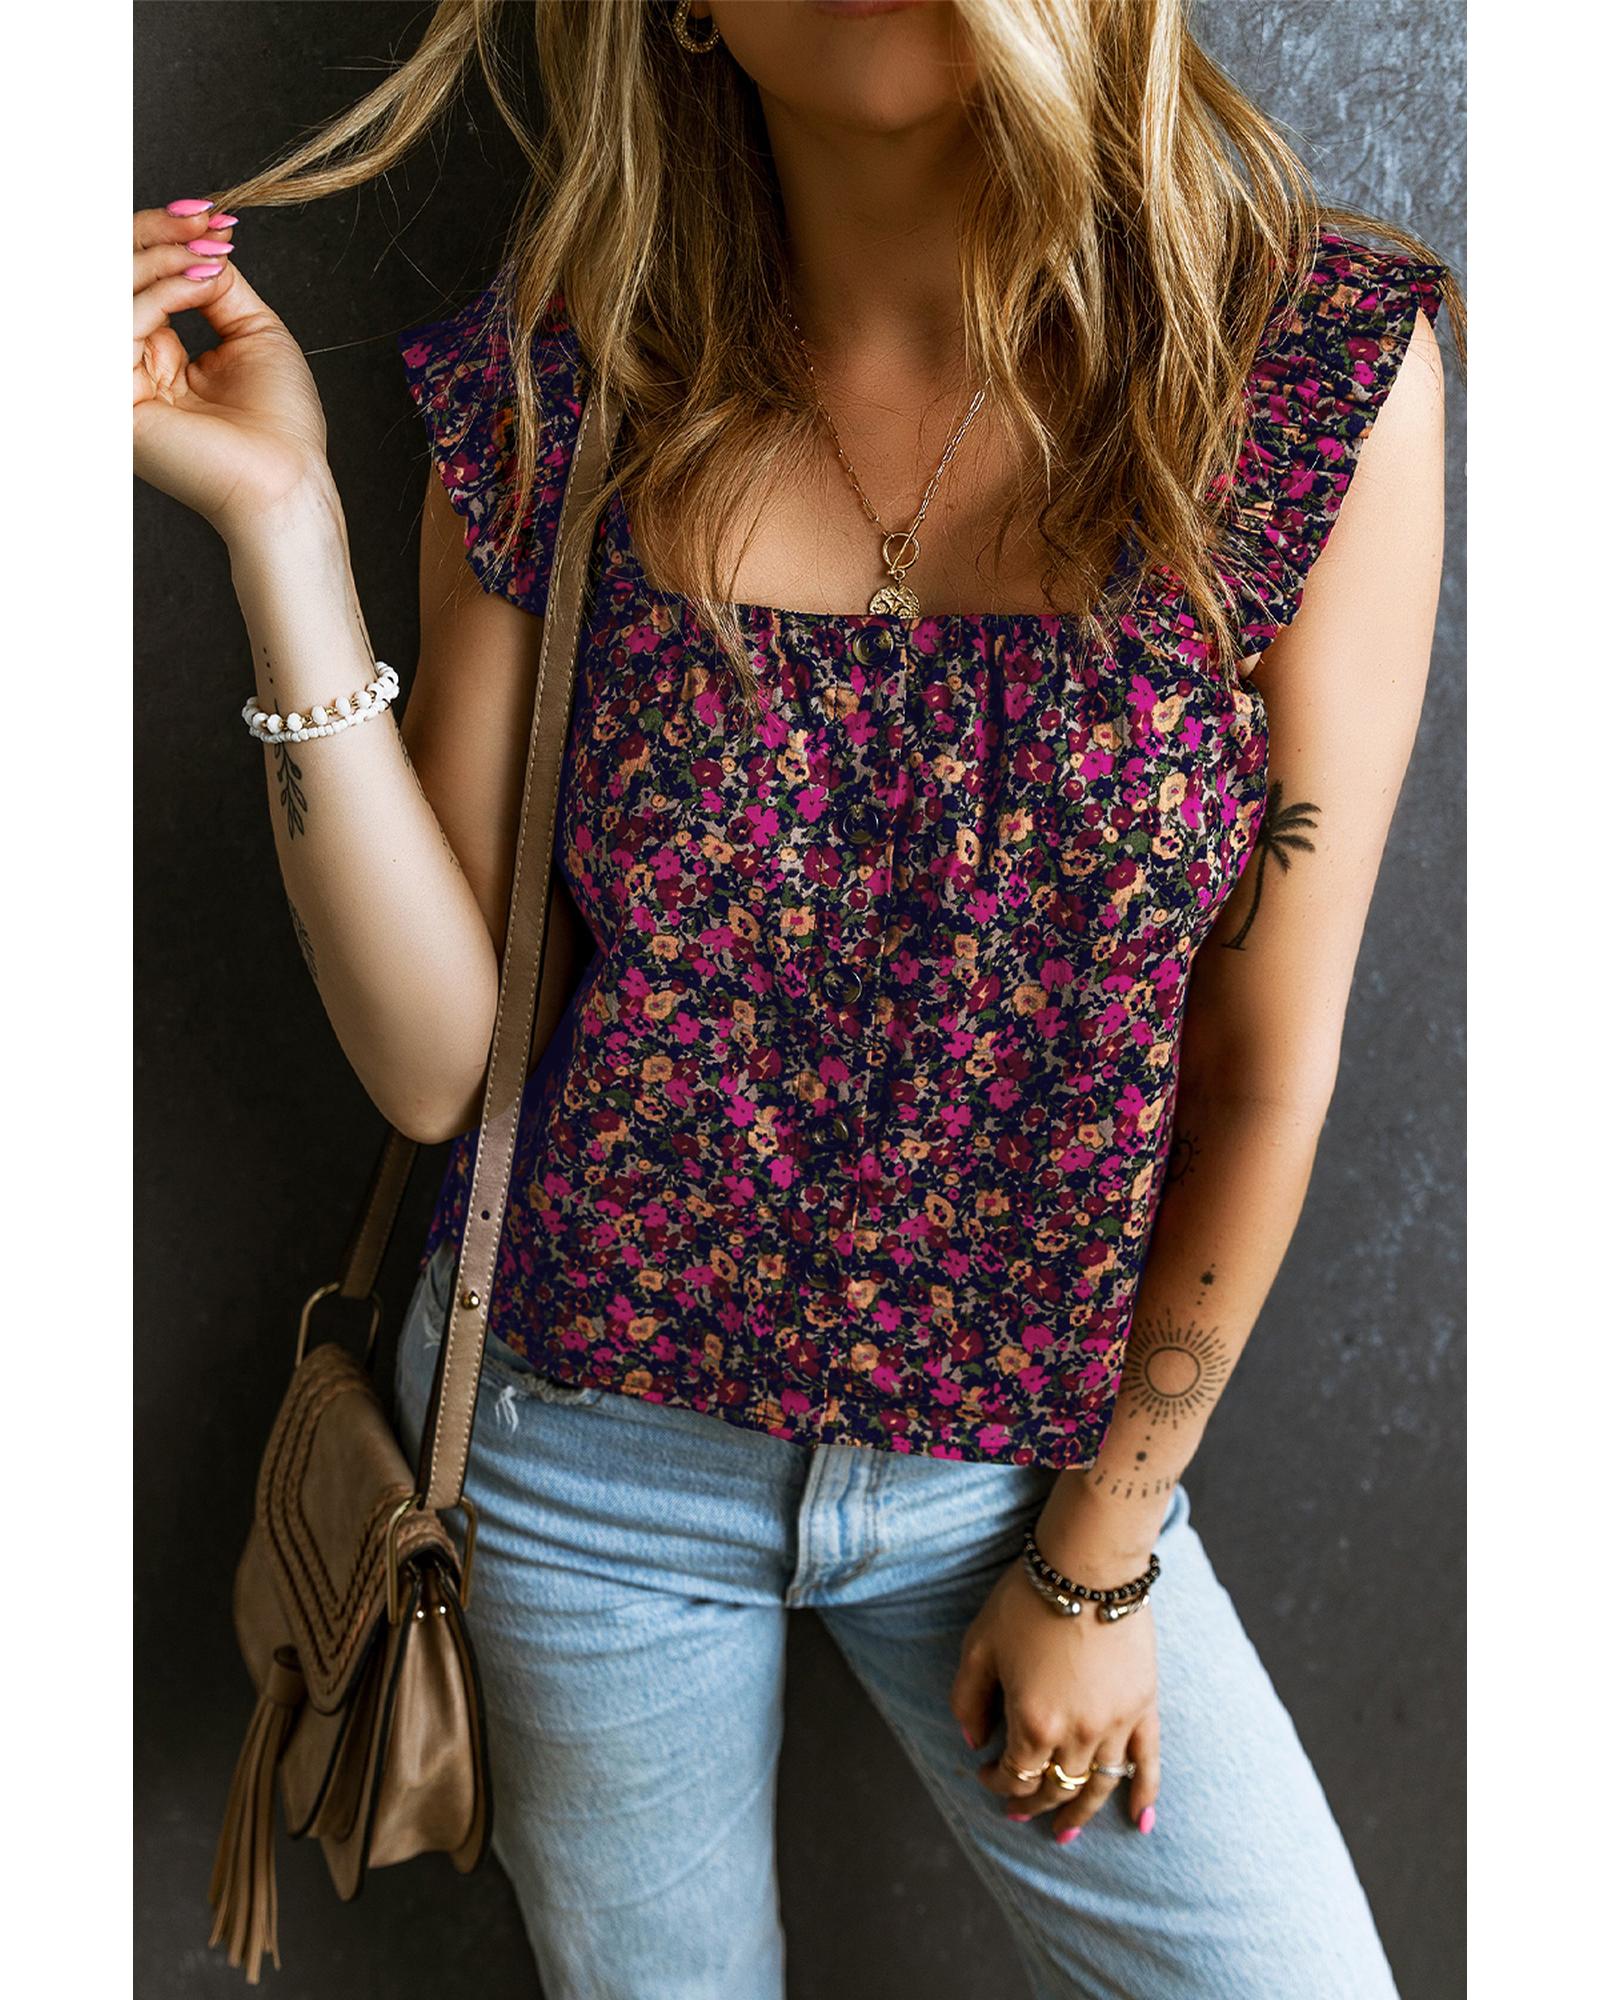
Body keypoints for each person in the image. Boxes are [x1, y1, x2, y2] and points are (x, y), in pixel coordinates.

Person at [133, 3, 1462, 1994]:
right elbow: (440, 1070)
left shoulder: (1295, 367)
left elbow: (1265, 1066)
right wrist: (283, 535)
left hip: (1021, 1476)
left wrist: (1097, 1554)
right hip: (577, 1461)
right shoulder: (572, 378)